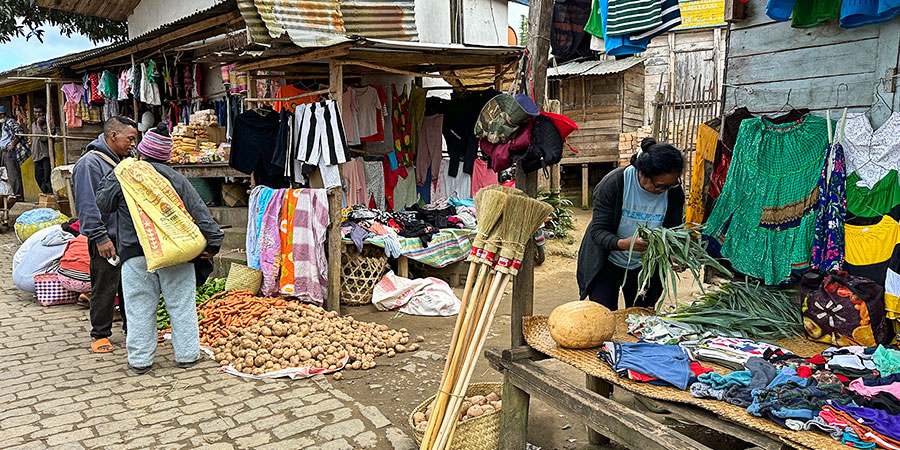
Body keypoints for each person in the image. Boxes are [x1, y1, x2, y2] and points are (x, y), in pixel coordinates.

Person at [96, 123, 223, 374]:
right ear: (166, 155)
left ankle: (140, 361)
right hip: (175, 253)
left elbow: (103, 203)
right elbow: (200, 213)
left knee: (139, 307)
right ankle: (187, 355)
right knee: (181, 304)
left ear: (141, 152)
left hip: (135, 254)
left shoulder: (125, 173)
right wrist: (213, 243)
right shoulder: (175, 177)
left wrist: (119, 174)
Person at [576, 138, 685, 310]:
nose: (663, 191)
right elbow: (598, 232)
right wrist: (625, 244)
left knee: (640, 318)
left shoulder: (674, 193)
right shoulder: (614, 183)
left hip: (646, 265)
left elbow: (672, 230)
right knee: (603, 316)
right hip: (607, 261)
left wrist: (674, 253)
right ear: (642, 173)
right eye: (659, 186)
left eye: (669, 186)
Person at [73, 116, 138, 353]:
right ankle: (100, 334)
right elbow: (87, 205)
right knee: (105, 286)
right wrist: (100, 237)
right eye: (130, 139)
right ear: (113, 136)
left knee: (131, 286)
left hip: (129, 237)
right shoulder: (89, 164)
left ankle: (135, 331)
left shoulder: (125, 161)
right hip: (106, 238)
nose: (133, 144)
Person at [0, 105, 27, 200]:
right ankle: (11, 195)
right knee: (6, 174)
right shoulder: (4, 124)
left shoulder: (10, 122)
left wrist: (13, 145)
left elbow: (19, 132)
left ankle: (18, 197)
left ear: (4, 115)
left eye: (1, 115)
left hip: (10, 152)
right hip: (4, 152)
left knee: (14, 174)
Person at [30, 105, 56, 194]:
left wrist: (39, 125)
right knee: (38, 177)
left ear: (44, 113)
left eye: (39, 112)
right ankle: (46, 195)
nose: (37, 114)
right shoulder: (33, 124)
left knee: (47, 178)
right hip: (36, 154)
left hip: (46, 155)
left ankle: (51, 195)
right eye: (35, 112)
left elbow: (43, 138)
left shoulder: (50, 125)